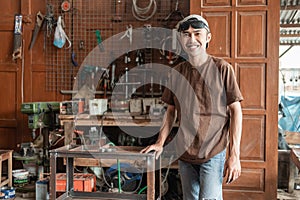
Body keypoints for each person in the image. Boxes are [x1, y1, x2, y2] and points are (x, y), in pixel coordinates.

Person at [141, 14, 243, 200]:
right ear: (180, 39)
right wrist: (160, 142)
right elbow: (170, 111)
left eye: (197, 33)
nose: (192, 39)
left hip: (213, 151)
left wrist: (234, 154)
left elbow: (236, 110)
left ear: (207, 38)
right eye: (186, 34)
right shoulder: (177, 73)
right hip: (185, 153)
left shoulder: (222, 69)